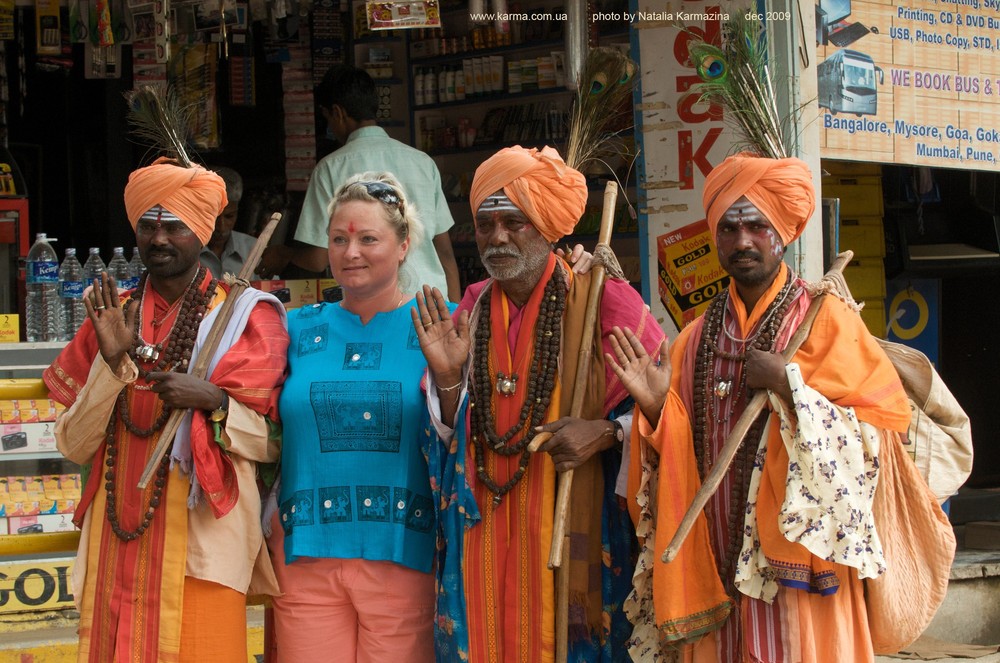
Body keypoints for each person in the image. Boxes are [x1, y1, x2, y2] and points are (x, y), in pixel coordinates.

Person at [606, 153, 927, 662]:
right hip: (712, 554)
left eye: (757, 225)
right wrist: (653, 406)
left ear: (783, 233)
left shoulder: (828, 323)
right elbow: (675, 452)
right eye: (730, 228)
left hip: (796, 568)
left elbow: (882, 433)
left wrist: (791, 386)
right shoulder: (692, 339)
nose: (742, 241)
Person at [413, 145, 665, 661]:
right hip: (481, 529)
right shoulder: (472, 308)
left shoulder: (605, 298)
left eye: (516, 222)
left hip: (574, 523)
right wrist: (446, 379)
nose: (498, 237)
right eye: (486, 225)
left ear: (549, 227)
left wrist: (606, 433)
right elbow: (445, 429)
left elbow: (664, 407)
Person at [43, 158, 289, 662]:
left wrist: (215, 401)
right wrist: (112, 364)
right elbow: (73, 443)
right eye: (147, 226)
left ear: (203, 231)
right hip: (116, 541)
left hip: (202, 548)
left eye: (174, 226)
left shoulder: (244, 317)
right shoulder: (113, 315)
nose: (158, 239)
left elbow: (272, 441)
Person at [266, 172, 441, 663]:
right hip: (305, 553)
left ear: (404, 244)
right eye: (338, 239)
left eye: (369, 238)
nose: (350, 253)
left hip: (402, 555)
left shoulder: (441, 324)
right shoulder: (292, 328)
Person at [259, 65, 461, 301]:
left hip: (370, 308)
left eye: (328, 119)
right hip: (431, 303)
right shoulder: (423, 162)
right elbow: (445, 254)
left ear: (338, 112)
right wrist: (455, 313)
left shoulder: (330, 168)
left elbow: (317, 258)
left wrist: (284, 254)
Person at [200, 165, 259, 279]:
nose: (221, 227)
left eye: (229, 216)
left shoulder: (254, 249)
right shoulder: (186, 252)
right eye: (215, 217)